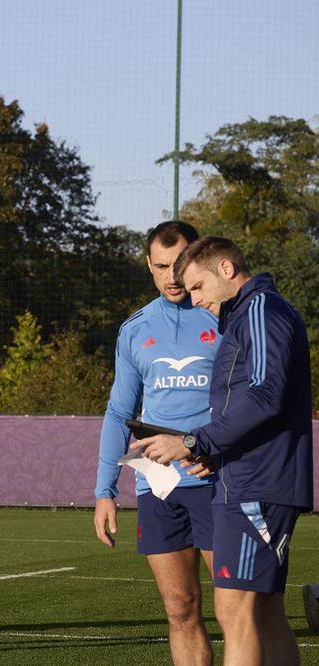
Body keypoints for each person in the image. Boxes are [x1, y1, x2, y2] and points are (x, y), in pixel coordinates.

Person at [138, 236, 313, 665]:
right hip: (253, 477)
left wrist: (195, 441)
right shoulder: (251, 313)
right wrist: (212, 455)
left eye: (198, 286)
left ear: (227, 270)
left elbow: (264, 394)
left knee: (234, 612)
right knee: (265, 610)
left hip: (256, 484)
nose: (193, 299)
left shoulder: (259, 309)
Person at [93, 220, 219, 665]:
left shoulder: (222, 316)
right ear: (148, 265)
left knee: (236, 609)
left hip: (217, 481)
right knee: (180, 609)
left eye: (179, 264)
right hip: (159, 487)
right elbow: (117, 413)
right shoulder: (135, 329)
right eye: (161, 266)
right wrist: (104, 492)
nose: (171, 277)